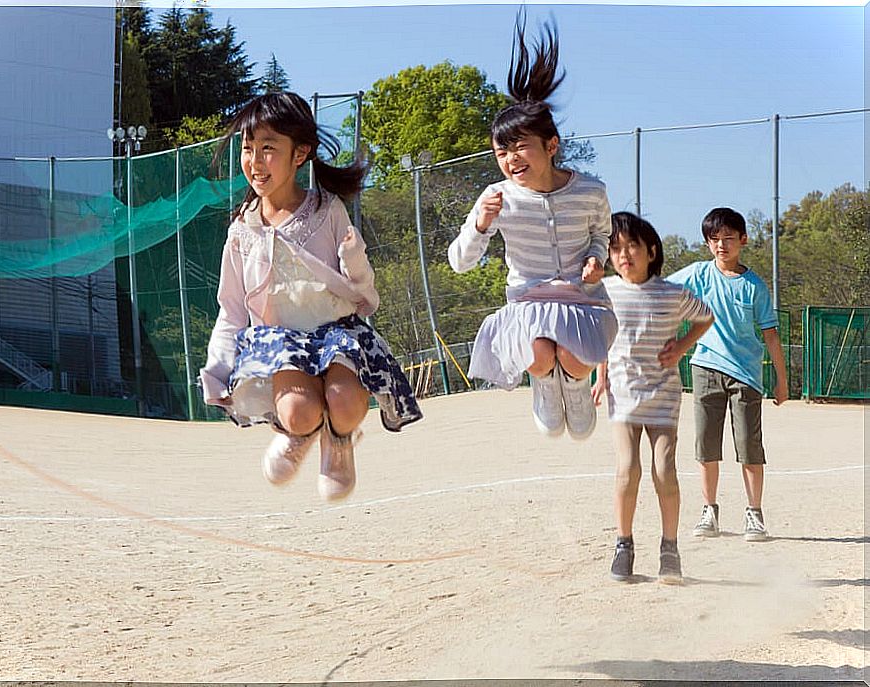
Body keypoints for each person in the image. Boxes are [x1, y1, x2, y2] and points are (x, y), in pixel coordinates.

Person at [200, 92, 422, 502]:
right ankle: (299, 432)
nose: (255, 161)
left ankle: (339, 439)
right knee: (299, 411)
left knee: (346, 404)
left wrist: (356, 261)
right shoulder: (241, 232)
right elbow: (231, 310)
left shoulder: (327, 210)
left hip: (337, 333)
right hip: (281, 343)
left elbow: (363, 294)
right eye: (248, 149)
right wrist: (217, 370)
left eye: (269, 148)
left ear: (300, 153)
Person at [448, 13, 617, 440]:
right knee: (541, 354)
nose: (510, 158)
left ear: (551, 145)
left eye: (520, 146)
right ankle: (544, 383)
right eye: (501, 151)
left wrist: (597, 258)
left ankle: (575, 385)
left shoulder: (591, 191)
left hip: (584, 302)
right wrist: (481, 225)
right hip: (526, 303)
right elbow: (459, 262)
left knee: (574, 358)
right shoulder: (496, 196)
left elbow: (603, 233)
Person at [591, 212, 714, 583]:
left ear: (651, 251)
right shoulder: (607, 291)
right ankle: (623, 545)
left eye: (631, 246)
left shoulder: (672, 293)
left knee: (664, 470)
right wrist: (600, 376)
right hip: (623, 394)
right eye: (615, 248)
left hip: (663, 394)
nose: (623, 254)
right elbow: (601, 334)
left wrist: (680, 348)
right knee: (627, 469)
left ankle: (669, 547)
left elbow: (705, 318)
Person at [666, 207, 789, 541]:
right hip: (705, 368)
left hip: (747, 376)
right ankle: (709, 511)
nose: (721, 245)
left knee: (749, 446)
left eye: (728, 239)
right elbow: (659, 289)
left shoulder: (755, 287)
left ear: (743, 240)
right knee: (706, 445)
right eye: (714, 239)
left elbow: (771, 335)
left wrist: (781, 379)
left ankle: (755, 514)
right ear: (707, 243)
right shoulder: (698, 274)